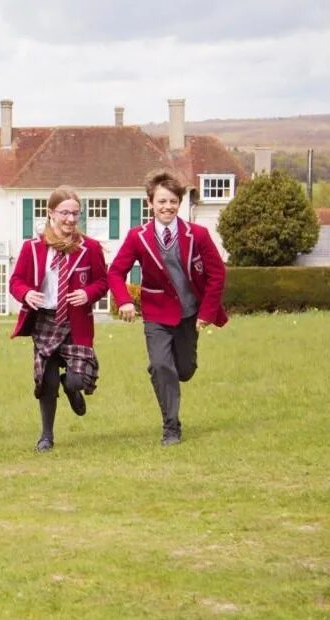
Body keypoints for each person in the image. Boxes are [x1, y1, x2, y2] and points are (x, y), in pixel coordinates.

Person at [108, 170, 228, 446]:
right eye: (162, 201)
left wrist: (207, 313)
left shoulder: (197, 234)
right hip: (157, 314)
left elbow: (217, 274)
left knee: (184, 370)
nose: (167, 207)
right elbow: (115, 272)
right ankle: (171, 427)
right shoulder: (137, 237)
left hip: (190, 314)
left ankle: (163, 372)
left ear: (180, 203)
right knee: (163, 366)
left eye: (173, 201)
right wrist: (124, 300)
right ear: (150, 203)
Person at [9, 186, 108, 452]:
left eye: (76, 214)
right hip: (45, 320)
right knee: (47, 381)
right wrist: (27, 293)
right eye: (65, 213)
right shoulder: (32, 248)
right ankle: (46, 435)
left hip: (76, 321)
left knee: (78, 380)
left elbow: (102, 282)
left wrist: (87, 293)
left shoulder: (90, 248)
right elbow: (15, 281)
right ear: (51, 213)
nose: (71, 219)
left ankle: (72, 388)